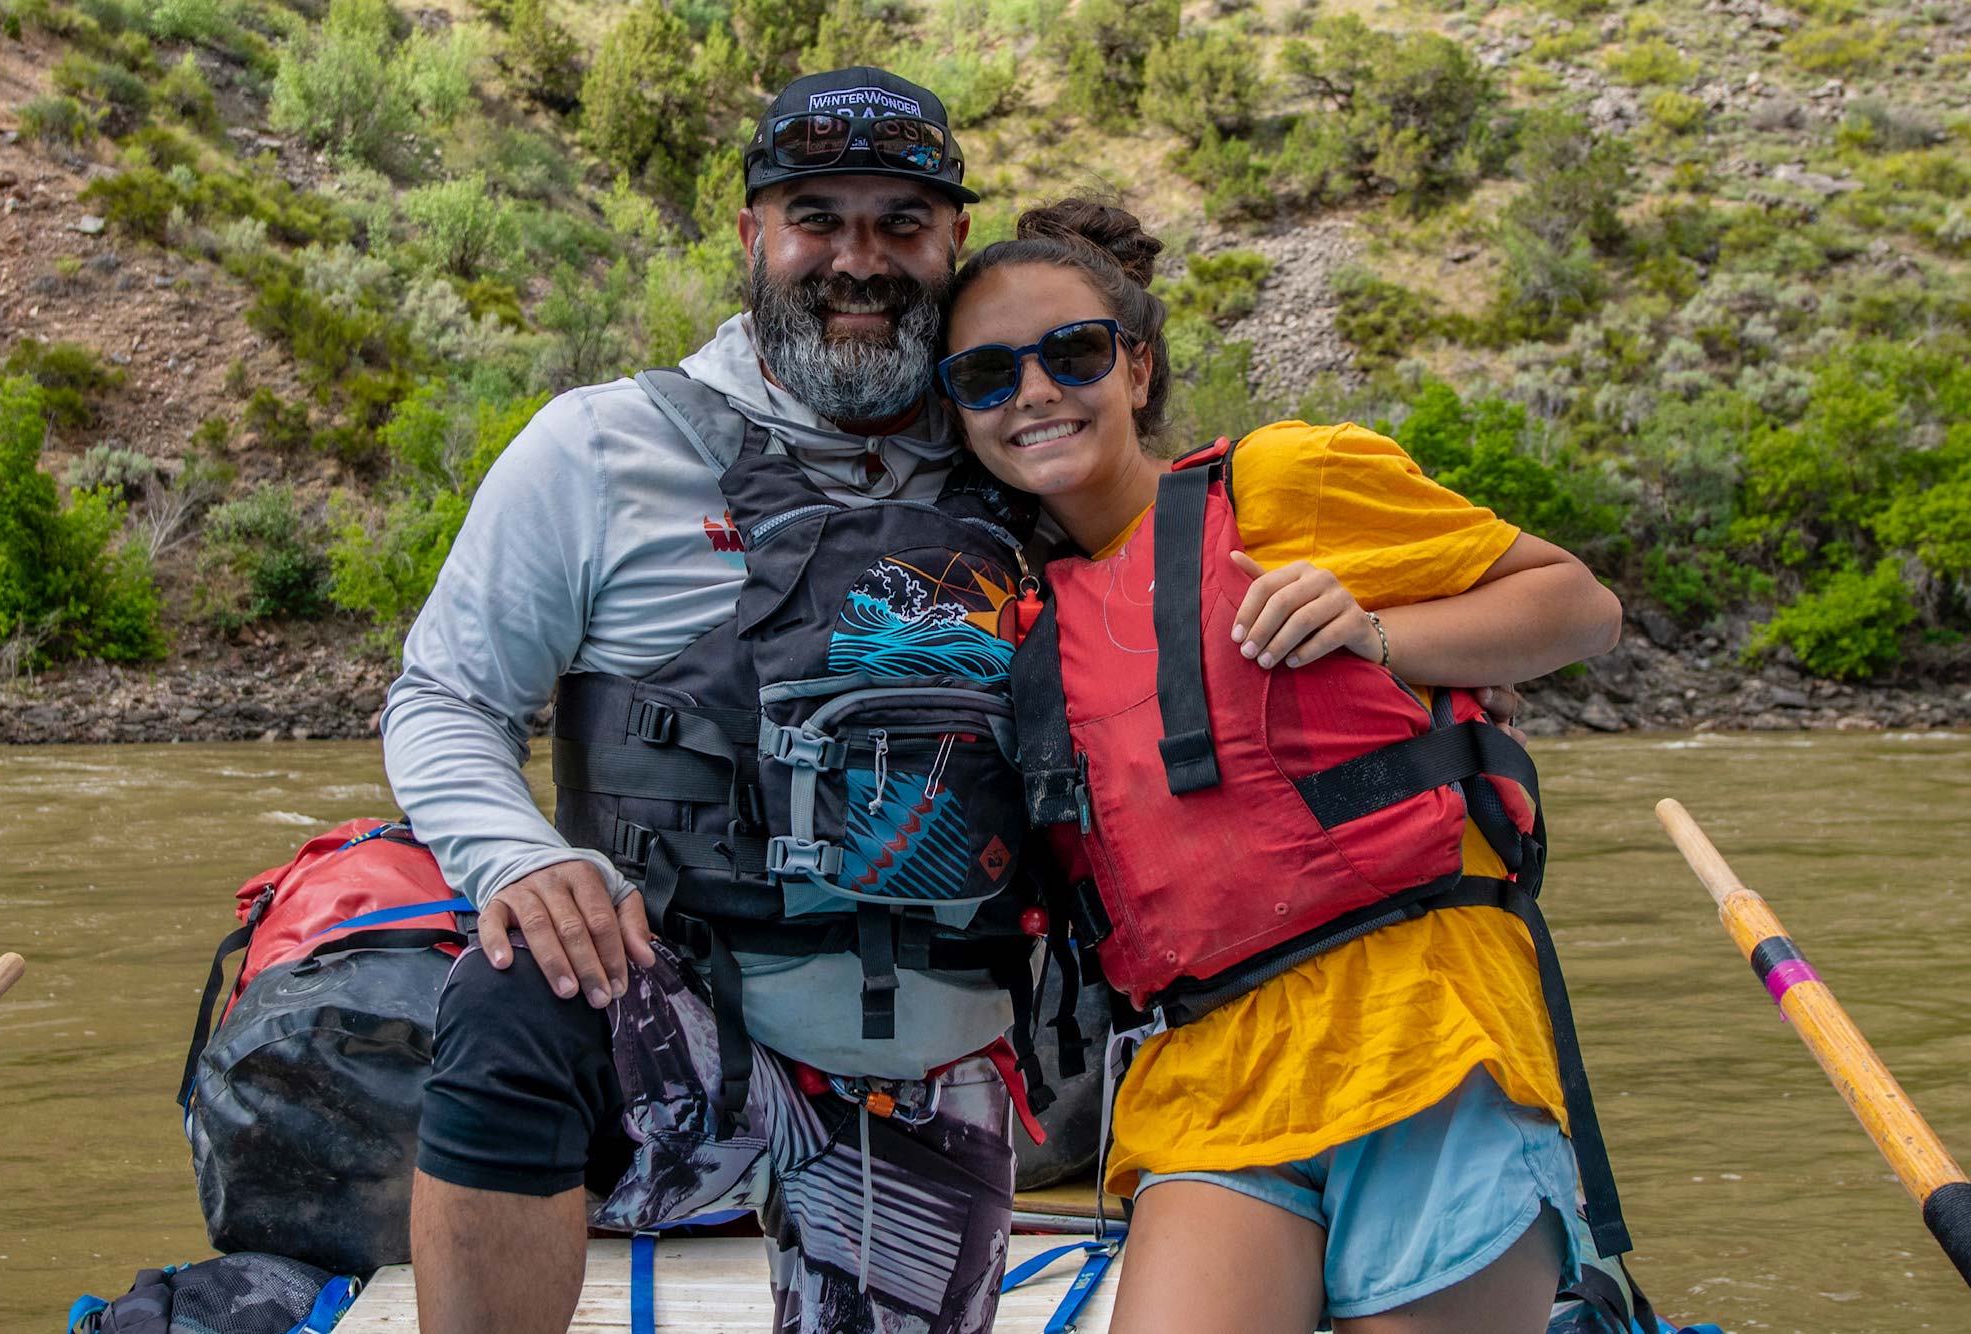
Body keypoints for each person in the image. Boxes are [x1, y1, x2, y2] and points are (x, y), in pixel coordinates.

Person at [383, 68, 1039, 1334]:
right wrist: (515, 855)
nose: (859, 260)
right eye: (817, 217)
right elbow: (445, 695)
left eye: (901, 222)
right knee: (514, 986)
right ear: (750, 236)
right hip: (671, 1017)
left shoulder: (1031, 457)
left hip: (935, 1043)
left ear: (953, 239)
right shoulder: (592, 447)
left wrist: (1395, 663)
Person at [936, 199, 1627, 1333]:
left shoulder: (1280, 482)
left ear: (1136, 366)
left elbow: (1578, 606)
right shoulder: (1008, 604)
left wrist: (1379, 632)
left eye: (1072, 352)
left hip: (1422, 1020)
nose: (1035, 392)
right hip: (1207, 1061)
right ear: (958, 408)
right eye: (986, 374)